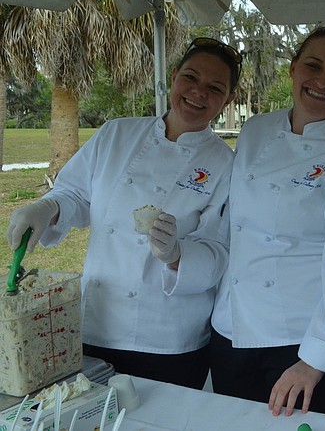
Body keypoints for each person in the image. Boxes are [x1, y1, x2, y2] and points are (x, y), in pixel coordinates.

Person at [5, 37, 241, 389]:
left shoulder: (225, 163)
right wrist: (48, 206)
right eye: (190, 78)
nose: (198, 92)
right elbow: (76, 194)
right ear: (173, 76)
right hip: (95, 322)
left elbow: (219, 252)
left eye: (215, 87)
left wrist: (177, 255)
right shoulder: (118, 133)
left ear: (228, 100)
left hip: (168, 337)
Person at [209, 27, 325, 419]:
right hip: (231, 328)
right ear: (292, 69)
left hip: (300, 344)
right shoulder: (257, 130)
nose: (322, 81)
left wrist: (314, 362)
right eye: (313, 65)